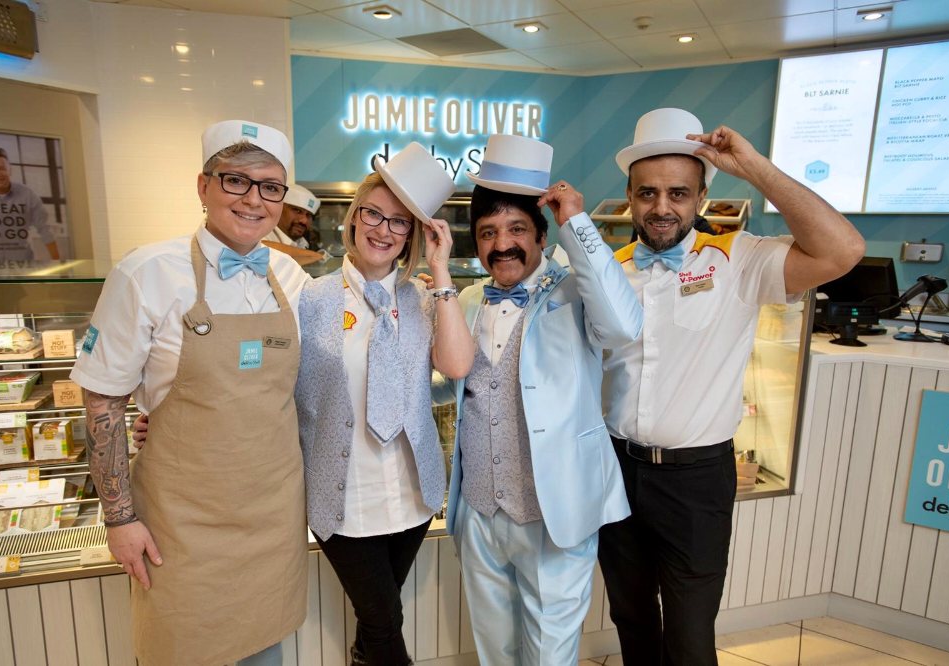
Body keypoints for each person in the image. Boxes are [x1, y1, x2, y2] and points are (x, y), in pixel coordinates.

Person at [598, 107, 866, 666]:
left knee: (691, 634)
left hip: (695, 480)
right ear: (629, 195)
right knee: (631, 619)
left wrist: (754, 167)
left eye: (678, 192)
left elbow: (842, 251)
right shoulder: (608, 267)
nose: (662, 207)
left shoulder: (739, 258)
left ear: (700, 197)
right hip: (615, 470)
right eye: (648, 193)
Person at [71, 120, 311, 666]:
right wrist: (119, 518)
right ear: (203, 187)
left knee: (265, 654)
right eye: (235, 181)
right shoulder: (146, 272)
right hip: (179, 527)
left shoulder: (291, 278)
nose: (254, 200)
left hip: (271, 518)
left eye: (270, 186)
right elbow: (103, 403)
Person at [443, 134, 643, 665]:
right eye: (488, 233)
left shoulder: (576, 290)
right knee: (495, 649)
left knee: (550, 652)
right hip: (480, 511)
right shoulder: (465, 300)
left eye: (515, 230)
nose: (501, 244)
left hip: (554, 510)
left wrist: (578, 221)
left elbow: (624, 326)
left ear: (540, 234)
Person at [296, 142, 474, 665]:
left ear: (413, 235)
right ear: (352, 220)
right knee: (384, 618)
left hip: (411, 495)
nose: (383, 230)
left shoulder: (422, 298)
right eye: (372, 214)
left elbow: (457, 366)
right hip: (341, 496)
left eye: (399, 222)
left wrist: (441, 272)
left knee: (376, 622)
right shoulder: (311, 299)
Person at [0, 145, 60, 260]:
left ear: (10, 169)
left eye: (2, 168)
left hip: (25, 266)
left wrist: (59, 265)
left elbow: (45, 230)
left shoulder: (28, 194)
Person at [263, 182, 327, 265]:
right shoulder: (263, 232)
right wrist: (316, 256)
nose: (304, 220)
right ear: (279, 209)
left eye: (308, 215)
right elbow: (262, 248)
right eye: (297, 211)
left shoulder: (302, 243)